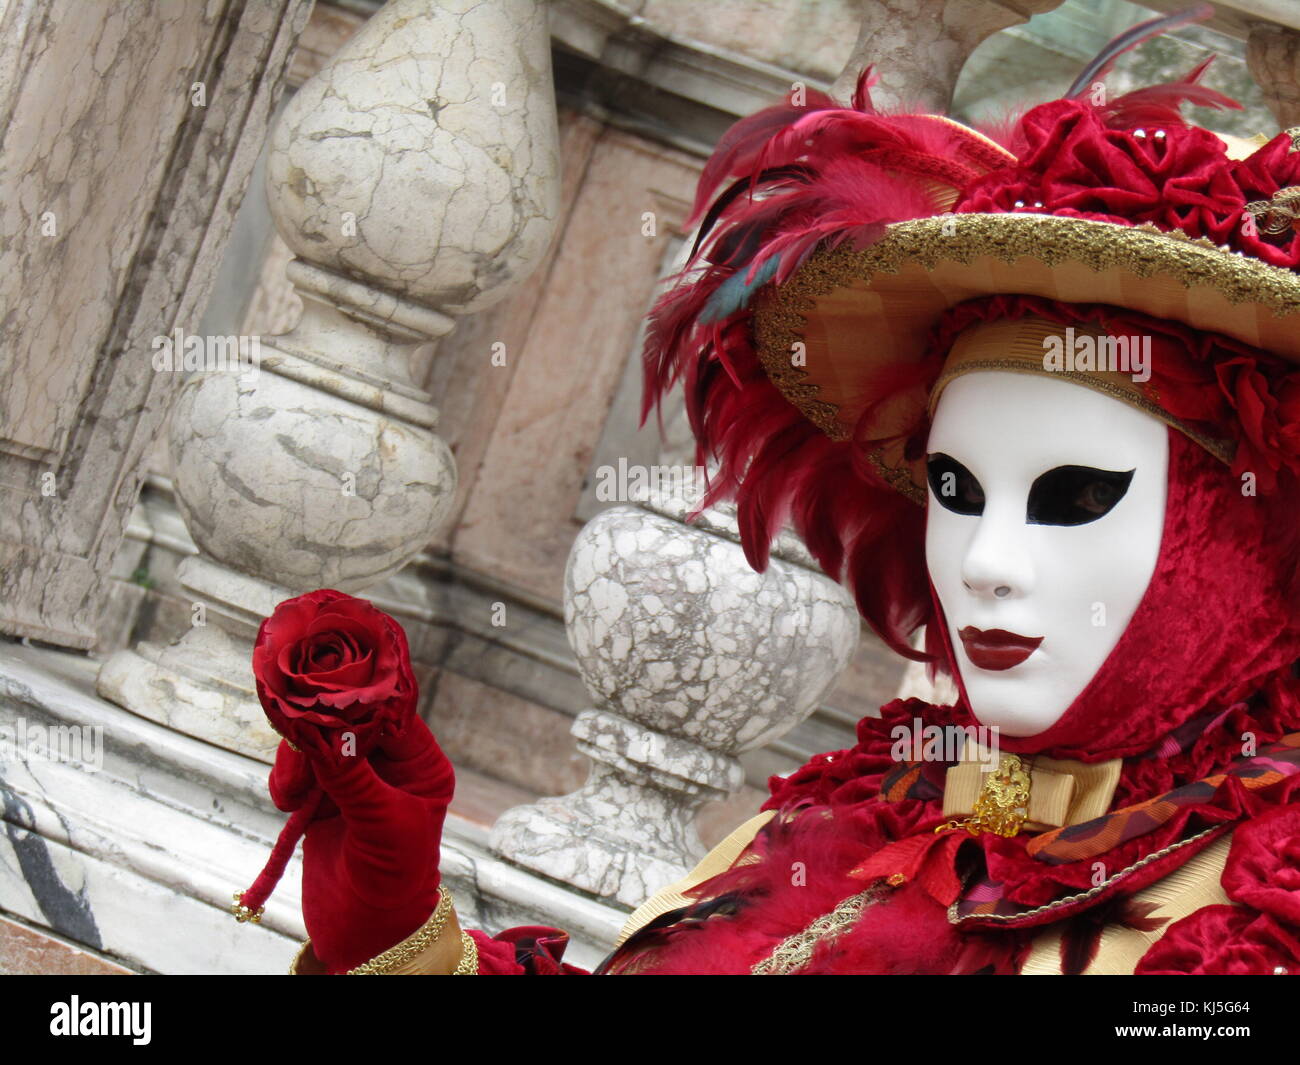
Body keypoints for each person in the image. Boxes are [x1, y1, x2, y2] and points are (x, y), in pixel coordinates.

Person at [233, 27, 1300, 976]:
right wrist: (396, 941)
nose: (983, 561)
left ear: (1252, 530)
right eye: (952, 489)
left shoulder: (1261, 911)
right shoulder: (857, 823)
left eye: (1071, 495)